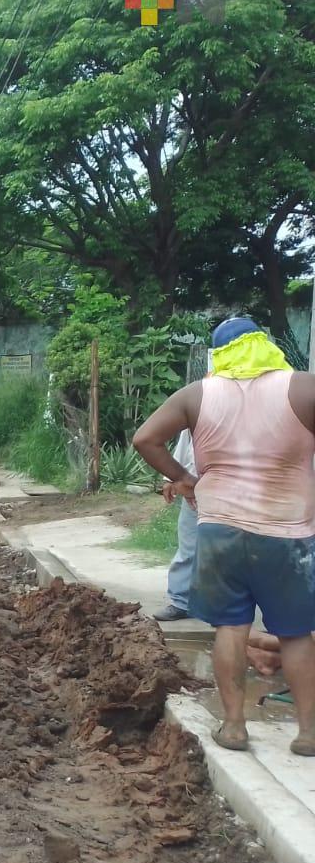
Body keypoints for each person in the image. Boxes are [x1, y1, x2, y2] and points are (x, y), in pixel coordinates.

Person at [133, 317, 315, 757]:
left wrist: (185, 478)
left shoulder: (196, 395)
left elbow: (145, 439)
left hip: (219, 530)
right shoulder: (304, 388)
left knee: (230, 629)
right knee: (295, 635)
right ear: (266, 346)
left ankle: (234, 727)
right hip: (287, 533)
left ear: (218, 354)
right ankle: (308, 734)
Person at [151, 427, 197, 622]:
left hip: (228, 490)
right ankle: (181, 603)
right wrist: (171, 479)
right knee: (189, 547)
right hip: (192, 493)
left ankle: (225, 605)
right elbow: (184, 444)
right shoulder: (199, 404)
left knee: (229, 549)